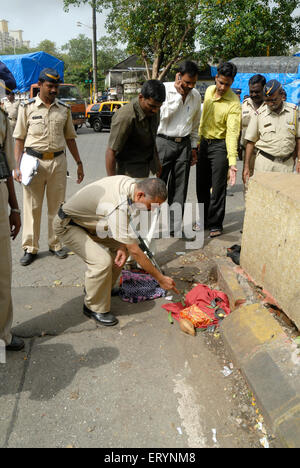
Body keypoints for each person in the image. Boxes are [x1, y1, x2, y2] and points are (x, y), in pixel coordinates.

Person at [53, 176, 179, 327]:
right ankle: (92, 307)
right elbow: (137, 252)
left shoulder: (132, 187)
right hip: (69, 225)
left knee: (122, 251)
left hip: (93, 224)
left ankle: (102, 288)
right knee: (102, 262)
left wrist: (121, 245)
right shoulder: (119, 203)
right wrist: (160, 278)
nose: (152, 210)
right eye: (152, 205)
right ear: (140, 195)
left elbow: (125, 231)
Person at [13, 68, 84, 266]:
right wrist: (16, 167)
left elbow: (70, 138)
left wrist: (79, 163)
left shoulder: (64, 109)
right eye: (50, 86)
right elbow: (19, 139)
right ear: (40, 85)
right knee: (32, 207)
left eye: (56, 86)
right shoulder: (26, 108)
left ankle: (56, 244)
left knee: (57, 206)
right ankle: (30, 248)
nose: (54, 90)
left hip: (58, 163)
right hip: (33, 163)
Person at [194, 62, 241, 238]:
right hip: (204, 144)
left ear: (232, 82)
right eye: (220, 82)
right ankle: (203, 219)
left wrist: (232, 162)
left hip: (220, 146)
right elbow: (203, 120)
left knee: (218, 187)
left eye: (227, 84)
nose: (222, 87)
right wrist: (197, 142)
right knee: (201, 186)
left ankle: (215, 223)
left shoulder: (234, 103)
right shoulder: (208, 92)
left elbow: (232, 134)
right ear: (216, 78)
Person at [156, 61, 201, 235]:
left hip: (184, 145)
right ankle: (149, 228)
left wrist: (193, 148)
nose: (189, 87)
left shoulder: (196, 96)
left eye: (192, 84)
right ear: (178, 77)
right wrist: (178, 96)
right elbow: (162, 117)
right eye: (186, 82)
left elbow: (195, 125)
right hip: (163, 142)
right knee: (157, 187)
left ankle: (175, 228)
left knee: (180, 189)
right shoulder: (164, 90)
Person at [0, 63, 24, 352]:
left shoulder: (2, 119)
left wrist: (15, 209)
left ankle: (2, 335)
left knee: (2, 273)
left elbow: (5, 167)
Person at [105, 80, 166, 179]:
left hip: (148, 169)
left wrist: (157, 164)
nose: (155, 110)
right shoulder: (125, 116)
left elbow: (151, 139)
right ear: (141, 97)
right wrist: (112, 184)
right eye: (151, 106)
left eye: (158, 107)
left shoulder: (154, 112)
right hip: (128, 176)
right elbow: (111, 151)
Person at [243, 79, 300, 181]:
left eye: (273, 100)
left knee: (285, 195)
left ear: (282, 96)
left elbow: (298, 138)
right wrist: (246, 167)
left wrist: (299, 160)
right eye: (267, 101)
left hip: (286, 165)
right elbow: (250, 142)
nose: (270, 104)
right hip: (265, 164)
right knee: (263, 196)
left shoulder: (294, 112)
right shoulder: (259, 114)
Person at [240, 74, 266, 184]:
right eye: (251, 91)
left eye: (257, 92)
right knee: (248, 183)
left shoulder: (270, 106)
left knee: (264, 184)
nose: (253, 95)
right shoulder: (244, 105)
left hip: (265, 154)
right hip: (248, 153)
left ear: (264, 89)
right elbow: (238, 127)